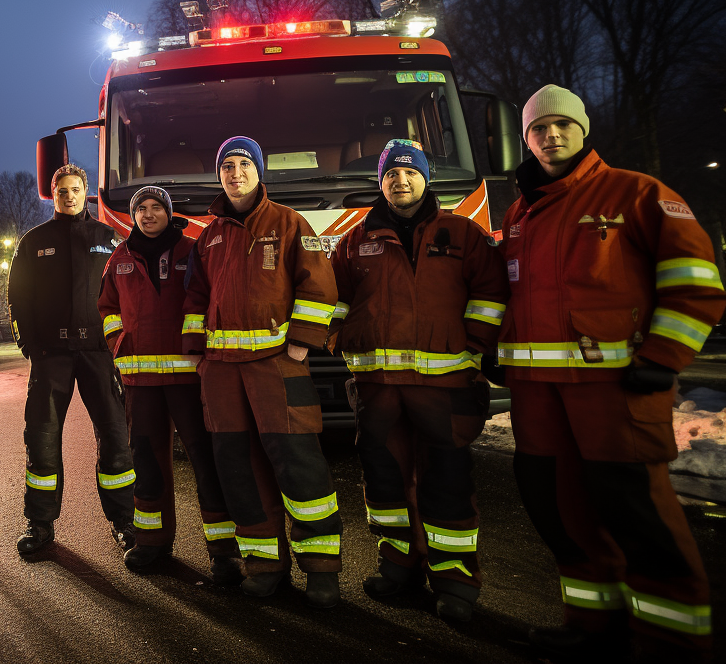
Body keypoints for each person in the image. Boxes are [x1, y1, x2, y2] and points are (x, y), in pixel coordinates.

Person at [499, 85, 723, 660]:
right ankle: (592, 623)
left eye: (561, 126)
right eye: (538, 129)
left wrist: (663, 358)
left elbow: (696, 281)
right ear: (525, 138)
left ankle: (672, 640)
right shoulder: (520, 211)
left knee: (636, 511)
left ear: (583, 129)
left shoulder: (637, 193)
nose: (550, 137)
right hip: (539, 398)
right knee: (559, 510)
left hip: (614, 390)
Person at [329, 140, 508, 621]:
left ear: (425, 178)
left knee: (447, 481)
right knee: (385, 480)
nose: (400, 181)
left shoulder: (463, 234)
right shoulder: (353, 240)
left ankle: (454, 581)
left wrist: (475, 344)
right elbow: (333, 300)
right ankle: (398, 565)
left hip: (444, 389)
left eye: (409, 173)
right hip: (378, 387)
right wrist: (336, 338)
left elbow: (490, 293)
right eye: (390, 174)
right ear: (380, 182)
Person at [182, 136, 343, 608]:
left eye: (243, 164)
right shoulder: (208, 237)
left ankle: (321, 570)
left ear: (259, 171)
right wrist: (196, 350)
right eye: (227, 166)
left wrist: (300, 343)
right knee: (239, 469)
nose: (235, 173)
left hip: (277, 366)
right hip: (223, 373)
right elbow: (195, 298)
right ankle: (264, 565)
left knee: (299, 465)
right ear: (220, 175)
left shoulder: (290, 223)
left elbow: (319, 285)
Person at [98, 186, 243, 584]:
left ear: (169, 212)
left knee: (204, 461)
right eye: (140, 209)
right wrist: (119, 345)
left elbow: (212, 299)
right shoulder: (120, 258)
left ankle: (223, 552)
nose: (148, 215)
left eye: (155, 208)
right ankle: (152, 542)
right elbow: (107, 309)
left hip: (189, 377)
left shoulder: (193, 250)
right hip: (141, 379)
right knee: (146, 460)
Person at [8, 164, 136, 554]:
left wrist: (118, 346)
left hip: (100, 355)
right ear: (53, 194)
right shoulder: (33, 242)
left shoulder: (109, 239)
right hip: (52, 356)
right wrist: (31, 347)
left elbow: (126, 295)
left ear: (86, 193)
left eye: (75, 189)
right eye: (61, 190)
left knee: (115, 437)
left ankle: (125, 523)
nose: (69, 195)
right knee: (43, 439)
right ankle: (40, 525)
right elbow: (18, 299)